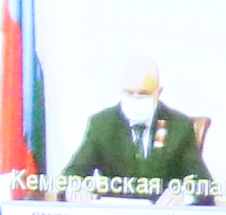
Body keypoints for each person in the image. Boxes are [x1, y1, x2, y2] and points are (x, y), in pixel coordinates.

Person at [63, 60, 212, 201]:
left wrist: (184, 194)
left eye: (143, 94)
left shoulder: (179, 126)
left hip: (162, 214)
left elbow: (204, 183)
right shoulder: (102, 124)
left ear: (158, 92)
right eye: (129, 93)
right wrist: (75, 187)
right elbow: (71, 174)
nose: (135, 99)